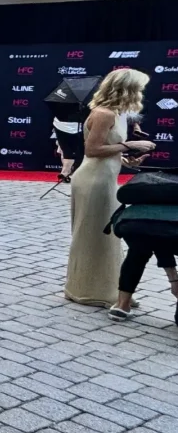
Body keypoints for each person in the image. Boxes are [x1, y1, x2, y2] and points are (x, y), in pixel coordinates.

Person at [65, 68, 154, 307]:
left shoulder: (118, 113)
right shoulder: (104, 113)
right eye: (139, 88)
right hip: (93, 181)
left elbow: (108, 150)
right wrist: (129, 145)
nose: (141, 92)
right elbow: (92, 150)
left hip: (104, 177)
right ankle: (87, 291)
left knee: (106, 237)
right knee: (92, 236)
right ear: (126, 89)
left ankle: (110, 290)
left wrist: (128, 161)